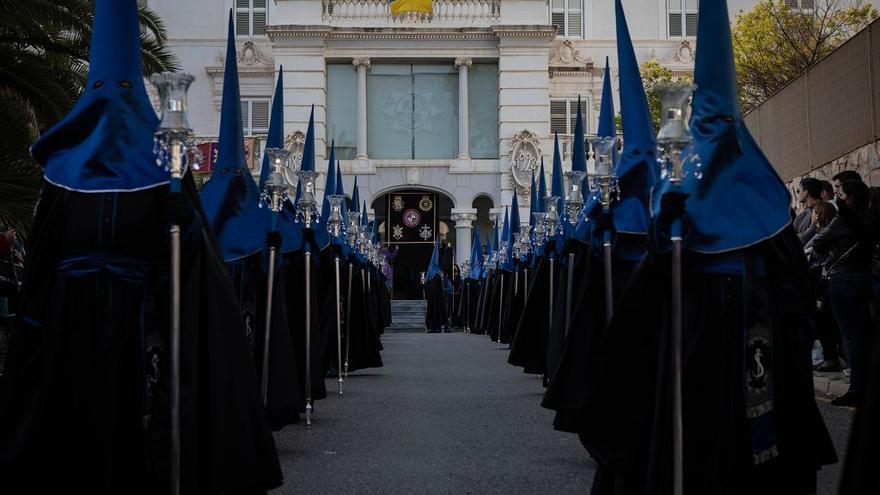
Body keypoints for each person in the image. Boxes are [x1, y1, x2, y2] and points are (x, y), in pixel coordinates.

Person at [0, 2, 282, 491]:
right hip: (72, 327)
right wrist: (32, 329)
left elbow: (195, 268)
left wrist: (185, 227)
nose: (113, 103)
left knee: (137, 441)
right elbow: (42, 265)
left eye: (125, 90)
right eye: (104, 90)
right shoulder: (63, 175)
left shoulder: (164, 174)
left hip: (140, 327)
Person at [575, 0, 837, 492]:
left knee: (752, 444)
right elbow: (651, 284)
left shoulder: (763, 198)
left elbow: (793, 287)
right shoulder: (678, 187)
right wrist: (660, 225)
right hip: (690, 341)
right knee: (688, 436)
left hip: (751, 342)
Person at [811, 180, 875, 407]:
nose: (837, 196)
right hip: (864, 278)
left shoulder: (845, 217)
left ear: (850, 197)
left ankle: (857, 389)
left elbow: (818, 240)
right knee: (864, 336)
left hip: (843, 279)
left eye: (840, 192)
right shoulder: (870, 216)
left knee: (852, 338)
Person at [804, 202, 843, 372]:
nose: (812, 215)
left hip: (824, 283)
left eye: (814, 212)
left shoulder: (826, 235)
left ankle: (831, 358)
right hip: (818, 282)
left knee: (826, 322)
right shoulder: (822, 233)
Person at [795, 177, 823, 242]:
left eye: (799, 191)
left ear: (805, 192)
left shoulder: (822, 210)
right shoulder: (805, 212)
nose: (798, 194)